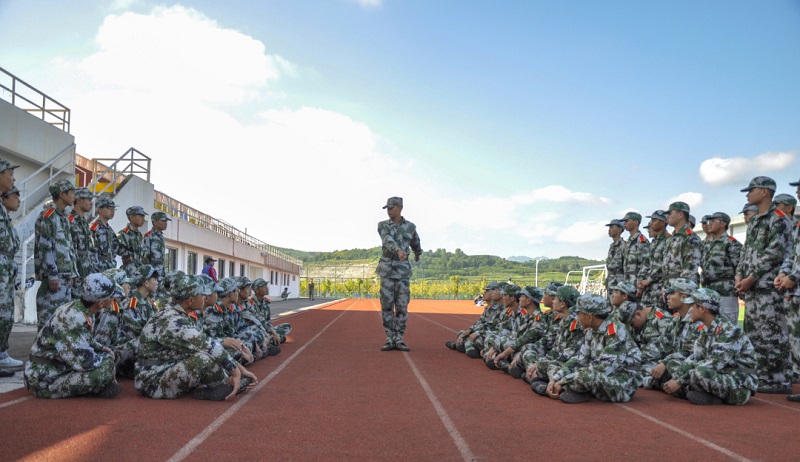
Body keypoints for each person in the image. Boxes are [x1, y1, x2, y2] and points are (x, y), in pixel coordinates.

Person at [135, 274, 258, 400]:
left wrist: (240, 369)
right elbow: (208, 346)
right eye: (201, 295)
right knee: (203, 359)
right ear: (190, 301)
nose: (205, 297)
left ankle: (223, 384)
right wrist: (236, 371)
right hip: (152, 380)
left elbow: (206, 344)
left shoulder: (180, 314)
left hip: (166, 367)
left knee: (209, 354)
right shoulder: (173, 320)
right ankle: (223, 384)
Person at [24, 273, 125, 399]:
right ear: (100, 303)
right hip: (44, 377)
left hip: (56, 367)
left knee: (107, 359)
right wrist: (106, 361)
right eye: (111, 296)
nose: (114, 299)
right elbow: (85, 362)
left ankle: (99, 386)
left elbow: (85, 338)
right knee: (103, 371)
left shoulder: (81, 309)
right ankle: (97, 387)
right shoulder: (75, 318)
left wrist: (101, 348)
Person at [735, 176, 793, 394]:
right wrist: (739, 275)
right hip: (752, 287)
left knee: (774, 333)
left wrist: (751, 278)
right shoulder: (755, 221)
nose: (748, 194)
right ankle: (762, 376)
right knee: (755, 334)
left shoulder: (778, 219)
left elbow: (774, 253)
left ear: (765, 192)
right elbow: (745, 251)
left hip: (769, 286)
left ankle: (779, 380)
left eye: (751, 190)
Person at [661, 288, 758, 405]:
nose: (689, 309)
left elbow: (713, 363)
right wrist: (676, 377)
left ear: (702, 309)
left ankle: (700, 394)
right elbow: (696, 357)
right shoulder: (706, 328)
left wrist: (679, 381)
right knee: (674, 364)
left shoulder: (728, 331)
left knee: (699, 373)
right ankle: (700, 393)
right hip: (719, 373)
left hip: (739, 382)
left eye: (692, 306)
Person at [544, 293, 642, 403]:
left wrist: (564, 381)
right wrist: (556, 378)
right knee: (553, 366)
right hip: (599, 374)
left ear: (589, 317)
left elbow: (604, 369)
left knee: (587, 375)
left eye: (579, 314)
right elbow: (579, 358)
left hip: (620, 385)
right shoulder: (592, 330)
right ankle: (562, 388)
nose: (577, 318)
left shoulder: (616, 332)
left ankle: (563, 388)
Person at [376, 196, 421, 352]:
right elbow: (387, 239)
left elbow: (416, 243)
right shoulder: (383, 225)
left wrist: (417, 254)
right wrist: (398, 250)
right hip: (387, 271)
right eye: (387, 208)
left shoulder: (410, 227)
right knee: (386, 306)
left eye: (391, 208)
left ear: (400, 208)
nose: (388, 211)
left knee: (402, 306)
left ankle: (399, 339)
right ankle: (389, 338)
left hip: (402, 273)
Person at [34, 179, 78, 331]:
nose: (74, 196)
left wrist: (73, 272)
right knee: (48, 320)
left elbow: (68, 246)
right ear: (62, 194)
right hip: (55, 277)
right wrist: (52, 274)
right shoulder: (49, 216)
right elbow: (45, 246)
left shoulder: (64, 217)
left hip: (65, 276)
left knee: (62, 320)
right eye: (71, 193)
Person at [701, 212, 742, 323]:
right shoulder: (707, 245)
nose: (709, 224)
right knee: (709, 326)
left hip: (726, 293)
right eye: (709, 221)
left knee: (726, 326)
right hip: (708, 292)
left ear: (723, 224)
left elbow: (740, 268)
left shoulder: (732, 244)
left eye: (713, 221)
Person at [0, 159, 21, 372]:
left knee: (5, 314)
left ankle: (1, 354)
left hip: (5, 269)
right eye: (10, 174)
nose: (13, 179)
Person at [662, 201, 701, 291]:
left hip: (682, 290)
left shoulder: (690, 237)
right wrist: (665, 287)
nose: (667, 217)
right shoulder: (670, 239)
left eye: (670, 213)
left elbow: (690, 269)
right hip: (669, 288)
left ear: (680, 215)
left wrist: (678, 290)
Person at [638, 210, 670, 310]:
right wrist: (641, 280)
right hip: (647, 288)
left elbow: (665, 264)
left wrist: (649, 280)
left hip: (659, 287)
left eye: (654, 220)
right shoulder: (654, 242)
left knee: (658, 314)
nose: (651, 223)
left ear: (663, 222)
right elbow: (646, 263)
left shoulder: (669, 240)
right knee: (644, 313)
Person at [70, 188, 95, 298]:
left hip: (86, 270)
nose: (91, 203)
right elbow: (69, 249)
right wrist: (73, 272)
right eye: (88, 200)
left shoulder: (84, 222)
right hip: (76, 271)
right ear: (79, 200)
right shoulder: (70, 220)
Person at [621, 212, 649, 291]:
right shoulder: (629, 241)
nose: (624, 223)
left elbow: (645, 263)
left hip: (636, 281)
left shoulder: (641, 240)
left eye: (627, 221)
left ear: (636, 222)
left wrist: (640, 282)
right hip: (627, 280)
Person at [117, 206, 148, 278]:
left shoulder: (139, 234)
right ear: (132, 217)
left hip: (140, 269)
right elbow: (118, 248)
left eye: (143, 216)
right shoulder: (124, 233)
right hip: (130, 270)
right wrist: (129, 256)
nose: (143, 219)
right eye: (140, 216)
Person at [90, 197, 120, 272]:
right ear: (100, 210)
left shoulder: (109, 229)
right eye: (109, 208)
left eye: (114, 209)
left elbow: (115, 247)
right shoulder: (94, 228)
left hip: (110, 268)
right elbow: (91, 251)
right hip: (99, 269)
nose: (112, 211)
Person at [144, 211, 171, 289]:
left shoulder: (161, 237)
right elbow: (145, 257)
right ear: (154, 222)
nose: (165, 223)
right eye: (163, 221)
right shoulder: (149, 235)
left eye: (166, 221)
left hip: (162, 273)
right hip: (153, 273)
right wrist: (149, 275)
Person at [605, 219, 625, 300]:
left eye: (612, 227)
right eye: (609, 228)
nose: (609, 230)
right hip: (610, 281)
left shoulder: (624, 245)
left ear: (619, 229)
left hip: (619, 282)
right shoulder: (612, 246)